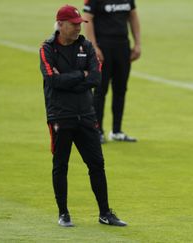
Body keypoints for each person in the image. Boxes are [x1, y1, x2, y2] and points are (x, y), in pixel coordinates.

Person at [39, 4, 127, 227]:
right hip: (60, 116)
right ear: (60, 24)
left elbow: (95, 79)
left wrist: (70, 79)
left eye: (80, 24)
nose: (78, 28)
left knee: (97, 164)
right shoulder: (47, 48)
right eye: (74, 24)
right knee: (61, 165)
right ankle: (63, 213)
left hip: (86, 115)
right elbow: (52, 80)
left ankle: (105, 213)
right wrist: (81, 75)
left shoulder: (86, 46)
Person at [83, 0, 141, 143]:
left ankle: (116, 131)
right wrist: (94, 47)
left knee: (120, 89)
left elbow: (133, 16)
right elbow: (87, 19)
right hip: (103, 46)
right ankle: (97, 131)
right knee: (100, 90)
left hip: (122, 46)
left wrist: (138, 44)